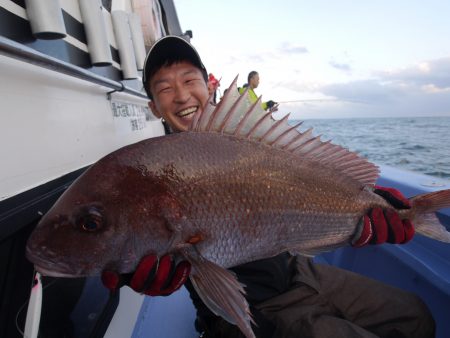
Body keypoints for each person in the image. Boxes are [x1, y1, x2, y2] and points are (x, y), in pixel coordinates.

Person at [101, 35, 435, 338]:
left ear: (210, 87)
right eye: (164, 88)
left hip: (299, 271)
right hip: (255, 307)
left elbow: (302, 178)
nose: (182, 95)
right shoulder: (151, 176)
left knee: (415, 316)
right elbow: (137, 235)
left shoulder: (245, 142)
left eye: (190, 80)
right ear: (153, 108)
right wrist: (132, 261)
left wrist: (371, 202)